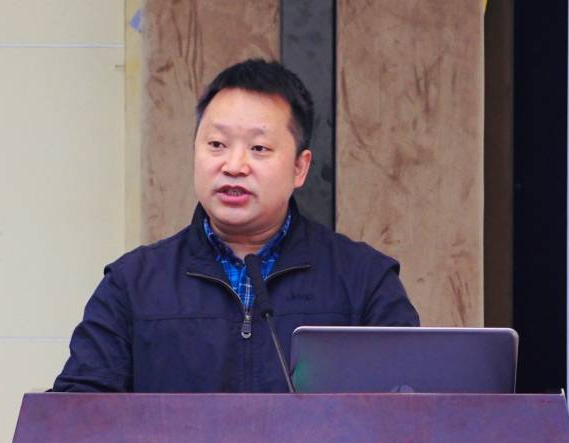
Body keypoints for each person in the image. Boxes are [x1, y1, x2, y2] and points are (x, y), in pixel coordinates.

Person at [52, 59, 419, 393]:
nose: (234, 165)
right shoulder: (132, 284)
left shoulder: (365, 281)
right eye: (217, 144)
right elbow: (76, 417)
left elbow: (413, 414)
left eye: (258, 148)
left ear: (299, 168)